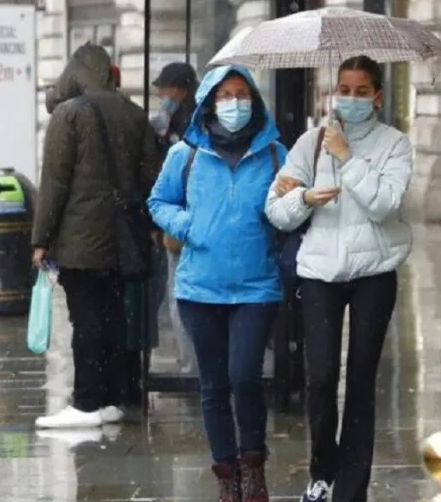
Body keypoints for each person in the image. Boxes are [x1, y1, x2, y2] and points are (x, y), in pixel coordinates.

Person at [264, 55, 414, 502]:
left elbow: (384, 204)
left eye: (361, 91)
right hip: (320, 273)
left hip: (374, 272)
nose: (351, 98)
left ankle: (352, 489)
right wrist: (305, 199)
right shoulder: (311, 143)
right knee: (322, 376)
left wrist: (347, 159)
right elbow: (275, 209)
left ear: (377, 97)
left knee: (362, 380)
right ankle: (322, 473)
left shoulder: (394, 144)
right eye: (344, 90)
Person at [148, 64, 286, 502]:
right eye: (225, 96)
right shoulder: (185, 155)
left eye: (242, 95)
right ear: (209, 103)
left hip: (256, 287)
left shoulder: (275, 155)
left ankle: (254, 464)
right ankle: (227, 474)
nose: (234, 103)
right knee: (213, 385)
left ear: (255, 101)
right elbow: (158, 201)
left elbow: (291, 209)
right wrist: (186, 225)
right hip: (199, 289)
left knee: (245, 377)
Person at [31, 43, 162, 428]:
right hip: (121, 238)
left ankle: (86, 403)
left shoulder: (69, 114)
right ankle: (110, 399)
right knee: (112, 315)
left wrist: (41, 239)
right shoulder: (134, 114)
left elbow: (54, 183)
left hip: (80, 239)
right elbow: (150, 177)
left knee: (86, 319)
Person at [150, 62, 200, 374]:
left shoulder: (185, 125)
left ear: (180, 90)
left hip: (181, 222)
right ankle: (194, 362)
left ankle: (192, 366)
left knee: (179, 298)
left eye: (164, 89)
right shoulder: (193, 118)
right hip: (191, 219)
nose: (161, 95)